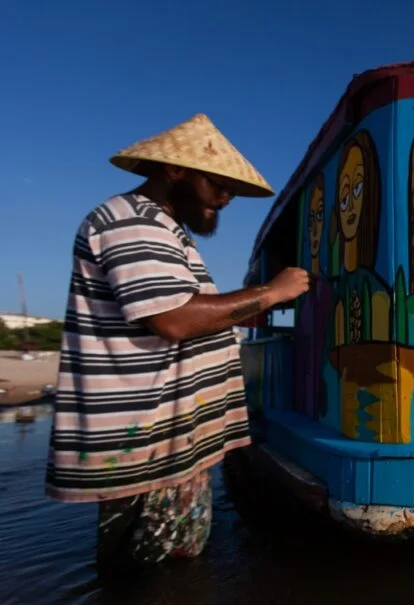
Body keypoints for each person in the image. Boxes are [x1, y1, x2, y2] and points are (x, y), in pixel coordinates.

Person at [44, 113, 310, 574]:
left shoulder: (162, 229)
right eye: (218, 184)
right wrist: (273, 292)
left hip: (165, 444)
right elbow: (171, 319)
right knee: (144, 577)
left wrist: (264, 310)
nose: (226, 199)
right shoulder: (130, 220)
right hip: (145, 444)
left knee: (175, 567)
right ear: (175, 169)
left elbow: (188, 314)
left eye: (232, 190)